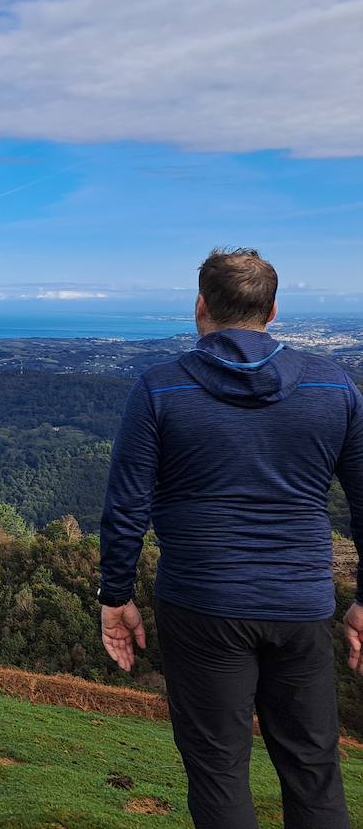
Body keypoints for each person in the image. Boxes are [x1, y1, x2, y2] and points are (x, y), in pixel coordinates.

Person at [99, 247, 363, 828]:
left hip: (202, 603)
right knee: (313, 769)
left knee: (218, 770)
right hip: (301, 603)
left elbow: (126, 507)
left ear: (201, 308)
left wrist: (115, 597)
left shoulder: (159, 389)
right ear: (271, 311)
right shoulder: (333, 387)